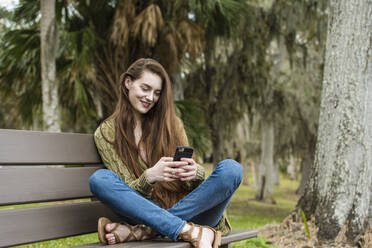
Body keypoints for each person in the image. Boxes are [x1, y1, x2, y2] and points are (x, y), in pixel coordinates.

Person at [89, 58, 243, 248]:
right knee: (99, 180)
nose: (150, 98)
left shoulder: (173, 124)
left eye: (157, 93)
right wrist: (150, 177)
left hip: (194, 213)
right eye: (145, 88)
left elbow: (191, 185)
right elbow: (126, 194)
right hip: (145, 211)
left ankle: (144, 231)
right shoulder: (107, 132)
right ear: (128, 83)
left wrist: (194, 173)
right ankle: (182, 229)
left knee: (232, 169)